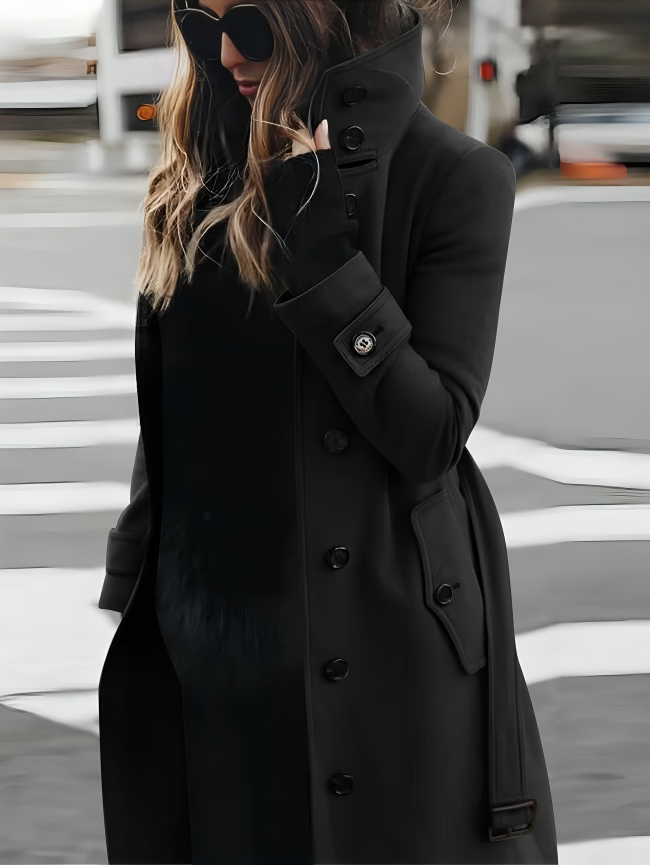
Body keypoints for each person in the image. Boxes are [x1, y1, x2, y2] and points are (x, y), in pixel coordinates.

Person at [97, 1, 558, 863]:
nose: (227, 53)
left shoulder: (453, 176)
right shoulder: (199, 177)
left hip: (375, 636)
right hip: (216, 636)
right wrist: (143, 578)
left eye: (255, 25)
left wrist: (325, 263)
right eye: (203, 26)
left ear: (328, 19)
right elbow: (185, 399)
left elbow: (432, 432)